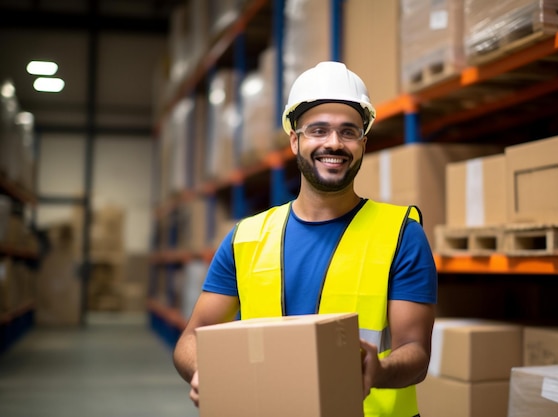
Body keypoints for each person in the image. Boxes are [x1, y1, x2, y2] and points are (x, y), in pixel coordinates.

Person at [173, 61, 437, 417]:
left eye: (348, 132)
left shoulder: (401, 233)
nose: (334, 143)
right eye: (318, 130)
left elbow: (416, 352)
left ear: (363, 143)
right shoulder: (246, 237)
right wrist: (206, 372)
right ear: (295, 140)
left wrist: (381, 371)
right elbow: (192, 337)